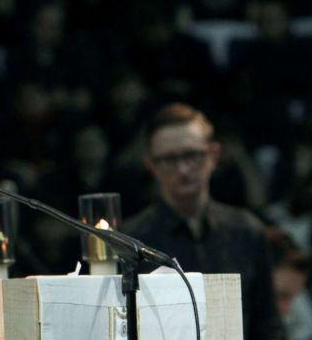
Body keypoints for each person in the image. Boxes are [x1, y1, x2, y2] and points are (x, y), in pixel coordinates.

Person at [122, 102, 284, 340]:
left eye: (191, 155)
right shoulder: (132, 240)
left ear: (213, 155)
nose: (183, 169)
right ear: (151, 166)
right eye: (169, 159)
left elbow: (268, 326)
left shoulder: (247, 230)